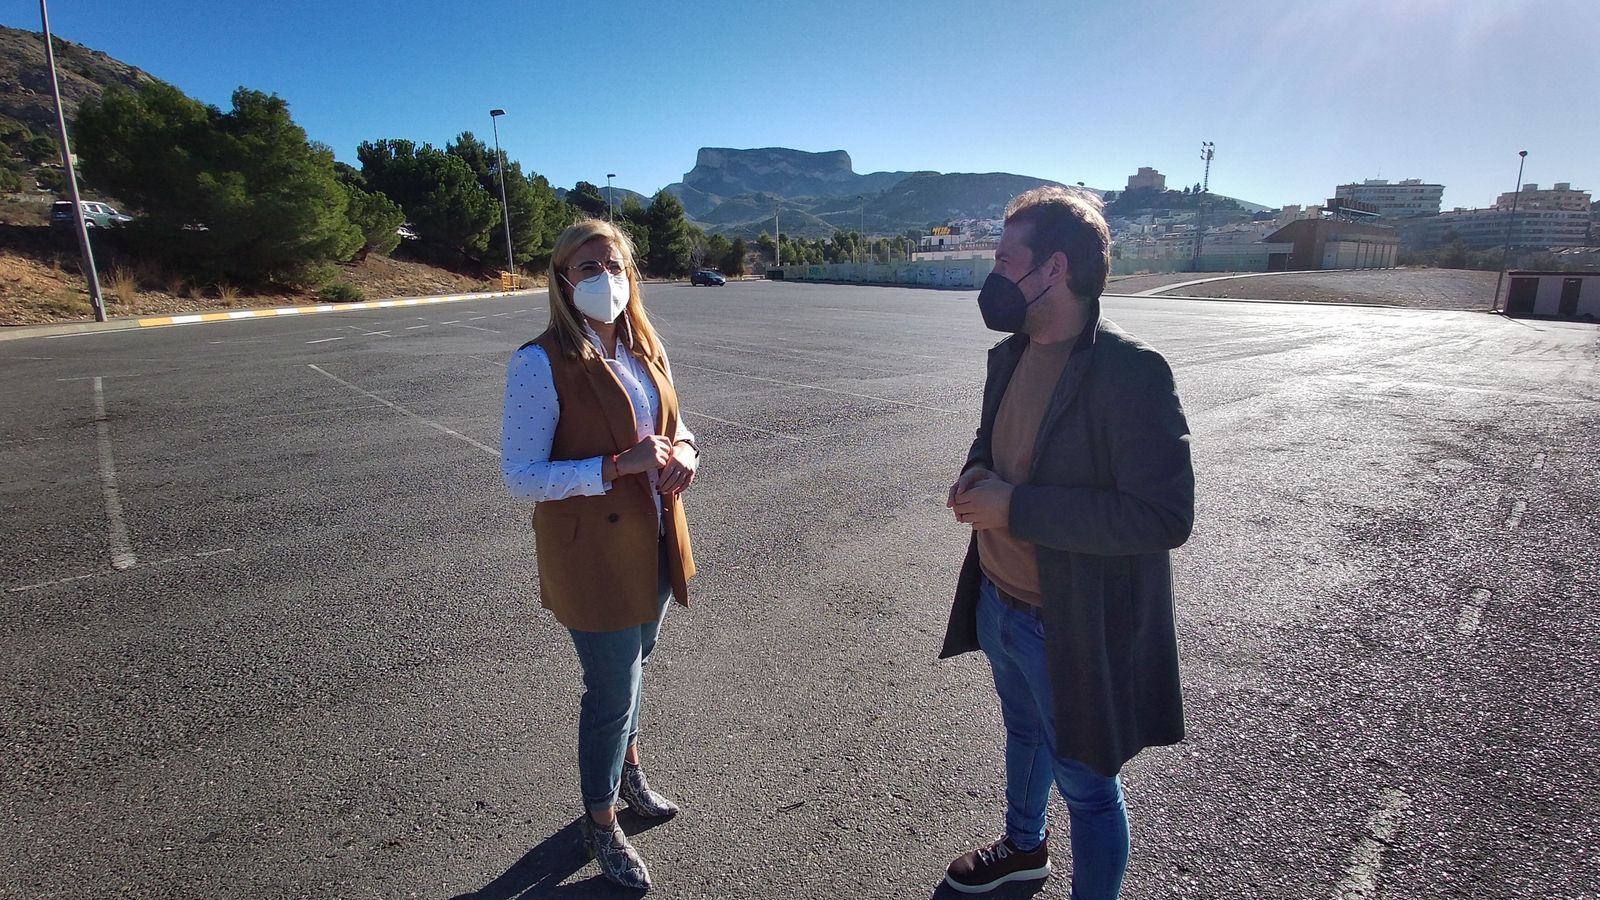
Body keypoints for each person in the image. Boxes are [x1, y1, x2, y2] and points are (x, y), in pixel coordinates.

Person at [941, 187, 1194, 897]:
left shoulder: (1132, 374)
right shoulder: (1009, 355)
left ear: (1052, 269)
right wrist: (973, 476)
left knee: (1087, 788)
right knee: (1023, 737)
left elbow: (1161, 518)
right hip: (999, 601)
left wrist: (1014, 507)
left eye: (1003, 257)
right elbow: (990, 439)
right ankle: (1023, 848)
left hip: (1070, 623)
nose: (991, 273)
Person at [501, 218, 699, 891]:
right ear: (561, 280)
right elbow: (521, 475)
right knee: (612, 690)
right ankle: (601, 819)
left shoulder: (645, 346)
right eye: (587, 268)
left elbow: (675, 426)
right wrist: (617, 467)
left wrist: (687, 454)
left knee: (635, 672)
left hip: (655, 541)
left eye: (613, 265)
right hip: (593, 555)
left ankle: (630, 771)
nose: (604, 279)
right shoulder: (539, 362)